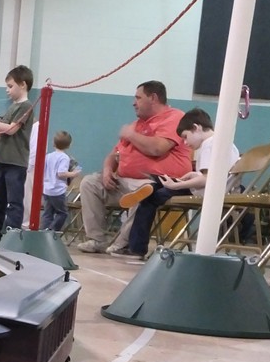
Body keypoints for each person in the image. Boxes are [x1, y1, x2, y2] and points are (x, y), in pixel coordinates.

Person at [75, 80, 192, 254]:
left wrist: (131, 135)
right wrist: (107, 171)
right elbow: (113, 155)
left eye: (138, 98)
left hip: (155, 182)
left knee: (144, 191)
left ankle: (124, 244)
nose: (133, 103)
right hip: (122, 183)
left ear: (153, 98)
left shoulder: (174, 117)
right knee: (89, 183)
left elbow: (157, 148)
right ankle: (96, 239)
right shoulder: (136, 125)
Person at [117, 108, 239, 259]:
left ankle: (136, 249)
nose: (185, 143)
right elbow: (214, 175)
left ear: (196, 127)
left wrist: (178, 185)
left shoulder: (209, 145)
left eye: (186, 137)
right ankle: (153, 185)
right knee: (161, 185)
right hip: (215, 188)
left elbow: (208, 179)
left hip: (205, 191)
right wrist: (193, 175)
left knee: (149, 199)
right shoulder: (222, 142)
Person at [0, 65, 36, 237]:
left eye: (10, 86)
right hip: (1, 160)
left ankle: (12, 234)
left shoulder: (26, 106)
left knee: (14, 201)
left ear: (23, 85)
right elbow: (1, 127)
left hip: (15, 162)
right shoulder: (12, 107)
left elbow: (10, 129)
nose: (7, 90)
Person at [39, 130, 81, 232]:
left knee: (47, 213)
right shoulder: (64, 158)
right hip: (57, 190)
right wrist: (73, 174)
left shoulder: (48, 156)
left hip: (47, 189)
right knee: (62, 213)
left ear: (53, 143)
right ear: (69, 145)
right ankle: (52, 230)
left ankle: (44, 232)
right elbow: (61, 173)